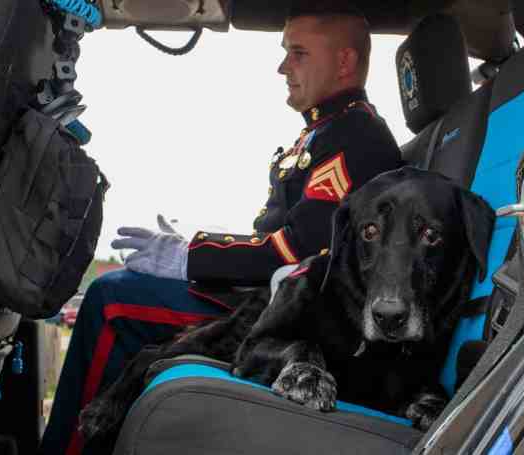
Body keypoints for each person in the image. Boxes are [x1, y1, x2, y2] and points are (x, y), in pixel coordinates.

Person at [39, 3, 402, 454]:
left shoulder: (357, 137)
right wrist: (194, 252)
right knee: (121, 288)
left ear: (345, 62)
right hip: (263, 292)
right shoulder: (327, 131)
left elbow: (297, 251)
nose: (282, 66)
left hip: (286, 310)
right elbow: (280, 236)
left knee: (109, 300)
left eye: (299, 53)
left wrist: (190, 256)